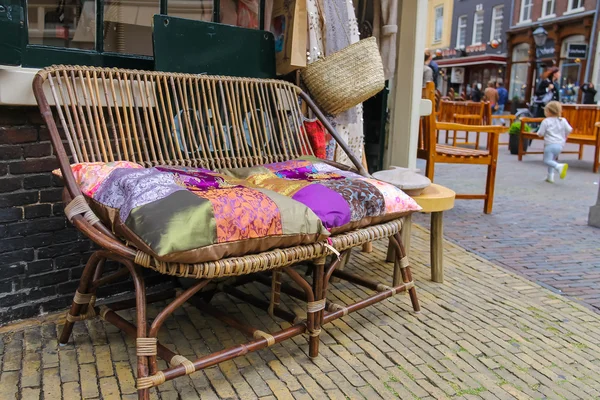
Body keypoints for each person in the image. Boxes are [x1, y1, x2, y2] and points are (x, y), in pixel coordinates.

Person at [536, 101, 572, 183]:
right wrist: (565, 136)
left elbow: (540, 133)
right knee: (552, 159)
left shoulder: (546, 121)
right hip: (560, 145)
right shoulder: (562, 120)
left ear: (548, 111)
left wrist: (538, 134)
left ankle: (559, 166)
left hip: (550, 144)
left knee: (547, 161)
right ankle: (550, 176)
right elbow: (569, 130)